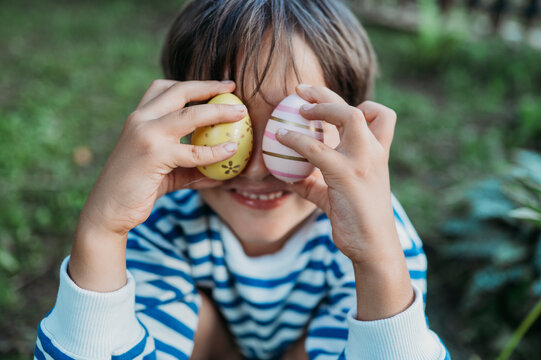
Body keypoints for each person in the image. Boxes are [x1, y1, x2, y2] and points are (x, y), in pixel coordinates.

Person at [34, 0, 451, 359]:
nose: (254, 170)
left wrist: (378, 260)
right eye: (225, 127)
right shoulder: (162, 223)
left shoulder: (376, 234)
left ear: (348, 133)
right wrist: (102, 232)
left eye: (293, 134)